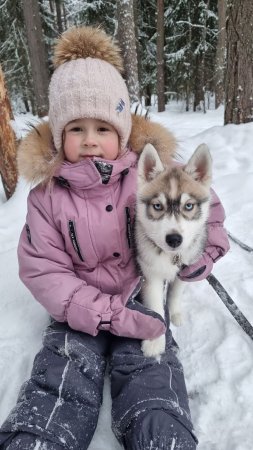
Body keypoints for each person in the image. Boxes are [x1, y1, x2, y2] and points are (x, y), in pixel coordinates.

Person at [0, 26, 229, 450]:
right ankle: (38, 440)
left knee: (151, 369)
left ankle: (162, 435)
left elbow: (205, 206)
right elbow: (44, 271)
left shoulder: (150, 174)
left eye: (103, 127)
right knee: (61, 374)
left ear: (122, 131)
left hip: (141, 298)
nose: (90, 140)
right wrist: (103, 313)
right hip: (78, 311)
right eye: (76, 129)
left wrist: (204, 252)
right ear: (58, 136)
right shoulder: (47, 198)